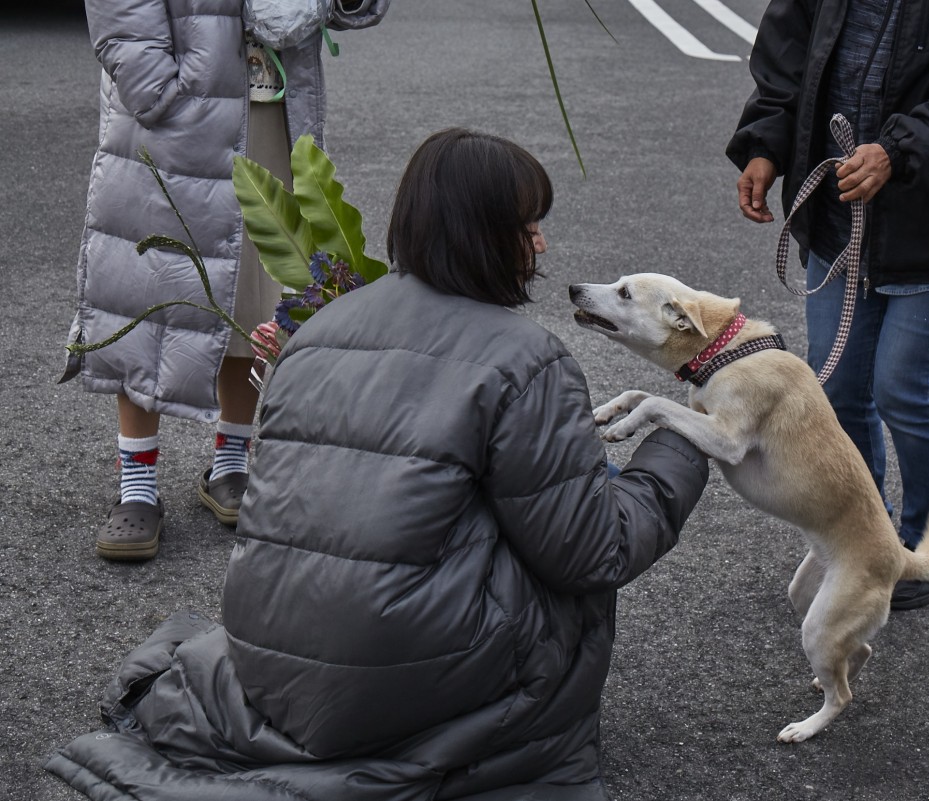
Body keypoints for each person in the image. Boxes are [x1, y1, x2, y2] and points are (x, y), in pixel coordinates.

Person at [45, 128, 710, 801]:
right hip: (404, 679)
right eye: (527, 226)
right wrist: (683, 439)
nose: (540, 245)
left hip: (270, 661)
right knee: (580, 515)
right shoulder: (525, 359)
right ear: (481, 233)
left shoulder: (321, 332)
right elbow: (593, 553)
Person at [727, 0, 929, 609]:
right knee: (838, 389)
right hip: (838, 215)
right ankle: (862, 544)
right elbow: (787, 52)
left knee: (906, 386)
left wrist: (897, 149)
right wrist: (765, 141)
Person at [62, 0, 388, 562]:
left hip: (272, 112)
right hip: (171, 116)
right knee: (153, 292)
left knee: (256, 295)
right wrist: (160, 89)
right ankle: (137, 482)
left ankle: (232, 459)